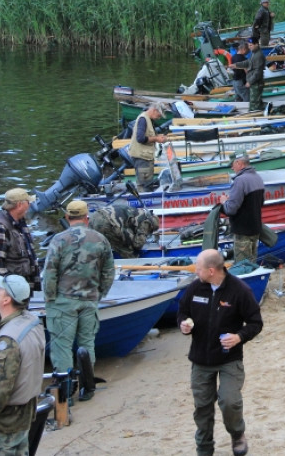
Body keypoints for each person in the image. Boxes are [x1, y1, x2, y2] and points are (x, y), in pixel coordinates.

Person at [178, 249, 263, 456]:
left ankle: (237, 434)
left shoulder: (239, 290)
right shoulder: (195, 288)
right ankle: (204, 448)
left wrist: (239, 337)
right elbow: (183, 312)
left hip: (229, 359)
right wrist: (183, 324)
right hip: (200, 359)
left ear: (211, 270)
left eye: (198, 269)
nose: (195, 272)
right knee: (202, 407)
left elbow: (255, 323)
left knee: (229, 401)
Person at [0, 273, 46, 456]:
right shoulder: (32, 321)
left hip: (3, 422)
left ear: (6, 299)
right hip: (24, 413)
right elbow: (10, 327)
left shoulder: (7, 342)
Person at [42, 200, 115, 380]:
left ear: (67, 217)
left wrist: (50, 298)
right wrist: (99, 294)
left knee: (62, 347)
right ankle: (87, 386)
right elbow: (109, 272)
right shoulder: (100, 239)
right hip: (90, 299)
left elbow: (49, 273)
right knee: (87, 344)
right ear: (86, 217)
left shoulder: (58, 240)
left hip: (63, 301)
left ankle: (65, 393)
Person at [0, 187, 42, 291]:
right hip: (9, 292)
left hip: (20, 287)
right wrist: (9, 290)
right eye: (28, 202)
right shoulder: (0, 228)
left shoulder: (20, 222)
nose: (30, 205)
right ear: (19, 205)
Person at [218, 153, 264, 264]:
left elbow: (230, 210)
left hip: (243, 231)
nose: (232, 168)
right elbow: (261, 203)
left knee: (242, 265)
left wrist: (224, 201)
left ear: (239, 163)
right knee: (252, 263)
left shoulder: (240, 181)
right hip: (255, 229)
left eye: (233, 164)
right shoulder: (258, 178)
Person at [89, 198, 159, 258]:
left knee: (97, 247)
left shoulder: (136, 212)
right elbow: (137, 244)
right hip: (106, 223)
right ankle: (133, 266)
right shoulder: (147, 222)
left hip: (94, 217)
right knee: (127, 250)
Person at [128, 103, 169, 189]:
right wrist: (156, 139)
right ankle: (143, 199)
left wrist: (158, 136)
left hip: (145, 157)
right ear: (154, 110)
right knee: (144, 185)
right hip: (142, 158)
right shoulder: (143, 119)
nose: (159, 118)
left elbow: (149, 135)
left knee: (147, 183)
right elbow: (140, 138)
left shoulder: (148, 119)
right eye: (159, 115)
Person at [238, 36, 265, 113]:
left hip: (256, 83)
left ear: (256, 44)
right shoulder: (253, 53)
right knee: (256, 101)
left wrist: (250, 81)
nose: (249, 47)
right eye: (248, 45)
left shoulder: (258, 55)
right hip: (254, 82)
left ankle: (256, 115)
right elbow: (248, 63)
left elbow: (258, 72)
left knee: (254, 103)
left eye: (251, 45)